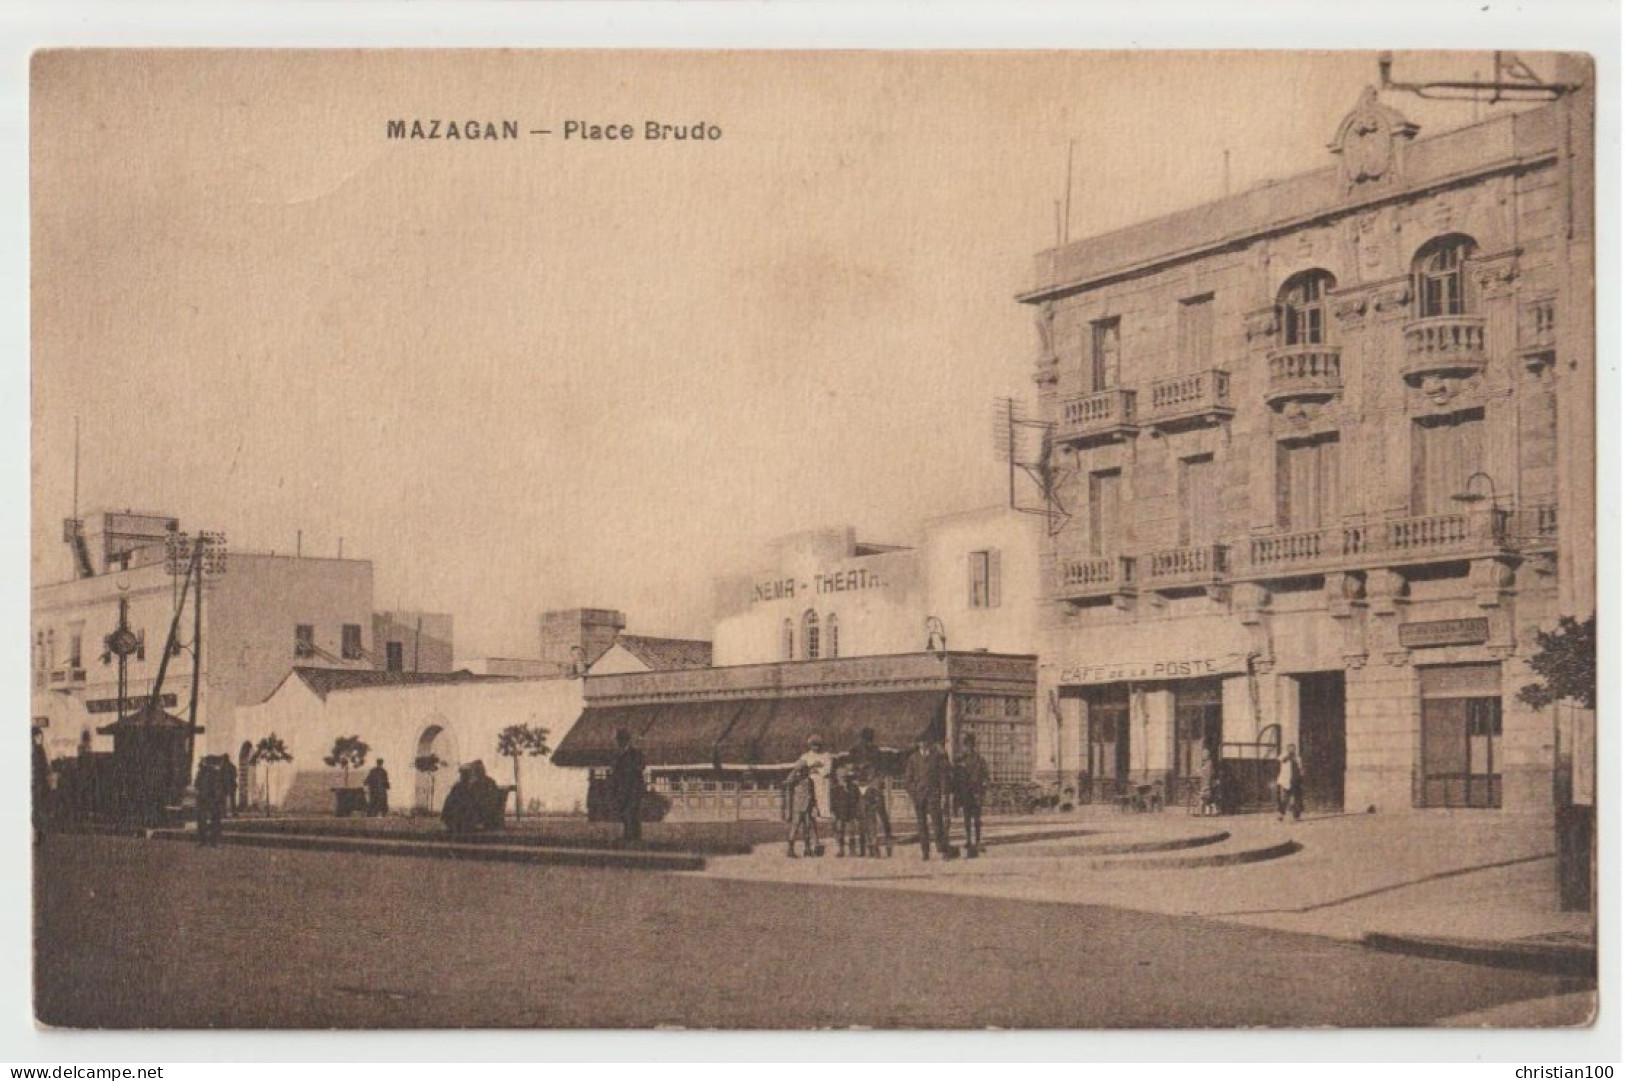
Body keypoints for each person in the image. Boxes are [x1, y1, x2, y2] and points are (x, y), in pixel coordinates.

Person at [904, 736, 955, 860]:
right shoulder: (913, 758)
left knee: (937, 824)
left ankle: (942, 849)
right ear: (918, 743)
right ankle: (925, 852)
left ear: (930, 742)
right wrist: (914, 793)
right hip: (919, 796)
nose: (924, 744)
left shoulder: (936, 757)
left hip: (933, 795)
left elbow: (942, 777)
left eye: (926, 741)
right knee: (922, 825)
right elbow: (908, 781)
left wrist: (943, 794)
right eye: (921, 741)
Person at [847, 726, 894, 854]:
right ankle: (874, 844)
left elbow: (852, 770)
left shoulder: (862, 751)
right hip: (866, 785)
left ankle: (870, 845)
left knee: (868, 816)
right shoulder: (871, 751)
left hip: (867, 785)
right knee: (875, 815)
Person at [955, 733, 991, 857]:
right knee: (966, 818)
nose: (967, 748)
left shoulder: (980, 760)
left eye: (969, 745)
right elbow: (956, 778)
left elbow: (986, 776)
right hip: (965, 793)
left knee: (976, 818)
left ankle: (978, 840)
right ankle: (968, 840)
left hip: (976, 792)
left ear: (973, 746)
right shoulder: (960, 760)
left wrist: (983, 790)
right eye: (965, 745)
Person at [608, 728, 646, 845]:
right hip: (622, 789)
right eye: (619, 740)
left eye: (623, 740)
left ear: (627, 741)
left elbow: (641, 766)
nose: (621, 743)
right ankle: (628, 836)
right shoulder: (618, 755)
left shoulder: (636, 754)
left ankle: (635, 837)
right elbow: (616, 773)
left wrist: (630, 768)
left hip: (634, 789)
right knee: (624, 812)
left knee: (633, 813)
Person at [783, 763, 820, 858]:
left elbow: (813, 794)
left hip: (808, 808)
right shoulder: (796, 780)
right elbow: (787, 781)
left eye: (806, 770)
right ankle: (790, 850)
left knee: (807, 828)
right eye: (803, 770)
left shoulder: (810, 781)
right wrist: (796, 769)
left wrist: (815, 806)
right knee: (794, 828)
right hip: (798, 808)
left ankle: (807, 849)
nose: (806, 772)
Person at [830, 764, 866, 857]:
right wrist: (833, 813)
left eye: (844, 776)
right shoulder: (834, 789)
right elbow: (832, 802)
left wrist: (858, 811)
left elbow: (858, 799)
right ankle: (841, 850)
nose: (842, 778)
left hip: (851, 812)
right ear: (837, 777)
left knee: (851, 831)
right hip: (840, 812)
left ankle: (852, 850)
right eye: (841, 777)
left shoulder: (853, 787)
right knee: (840, 830)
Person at [194, 755, 226, 846]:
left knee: (209, 820)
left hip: (208, 799)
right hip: (208, 799)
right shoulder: (208, 773)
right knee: (210, 820)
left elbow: (216, 787)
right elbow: (197, 785)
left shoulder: (206, 773)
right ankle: (209, 840)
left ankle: (208, 840)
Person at [441, 765, 479, 836]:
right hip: (458, 810)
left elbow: (473, 800)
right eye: (463, 775)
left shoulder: (470, 787)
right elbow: (451, 799)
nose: (464, 777)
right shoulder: (458, 786)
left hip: (466, 811)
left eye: (465, 775)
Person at [1275, 743, 1305, 822]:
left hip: (1295, 780)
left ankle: (1296, 816)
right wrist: (1288, 755)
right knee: (1284, 798)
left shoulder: (1298, 758)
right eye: (1290, 748)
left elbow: (1300, 768)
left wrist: (1301, 776)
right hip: (1286, 781)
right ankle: (1281, 814)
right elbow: (1280, 759)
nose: (1292, 750)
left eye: (1293, 748)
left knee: (1296, 799)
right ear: (1287, 749)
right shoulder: (1284, 756)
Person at [31, 729, 50, 842]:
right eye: (38, 737)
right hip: (39, 783)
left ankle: (38, 831)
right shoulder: (38, 749)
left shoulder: (36, 749)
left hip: (37, 783)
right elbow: (44, 766)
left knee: (37, 808)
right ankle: (38, 831)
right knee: (38, 808)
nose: (40, 739)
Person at [219, 752, 239, 817]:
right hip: (231, 785)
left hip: (224, 785)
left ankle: (224, 813)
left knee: (223, 800)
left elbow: (219, 776)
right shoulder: (232, 766)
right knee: (232, 800)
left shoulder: (222, 767)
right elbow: (235, 775)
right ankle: (234, 813)